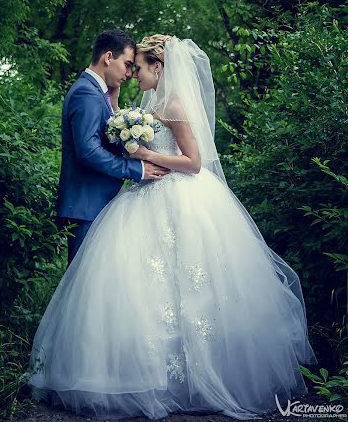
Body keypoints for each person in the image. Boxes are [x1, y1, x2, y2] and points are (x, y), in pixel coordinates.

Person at [27, 34, 317, 420]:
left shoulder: (173, 103)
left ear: (158, 67)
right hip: (136, 194)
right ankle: (119, 367)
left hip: (179, 195)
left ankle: (183, 374)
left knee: (186, 280)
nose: (133, 74)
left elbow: (193, 161)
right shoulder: (123, 100)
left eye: (139, 67)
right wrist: (135, 151)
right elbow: (100, 145)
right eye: (129, 66)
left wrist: (145, 154)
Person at [57, 29, 169, 265]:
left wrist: (114, 104)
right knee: (83, 286)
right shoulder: (86, 93)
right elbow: (88, 151)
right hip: (86, 205)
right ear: (108, 57)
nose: (129, 74)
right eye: (127, 65)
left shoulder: (98, 92)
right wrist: (136, 169)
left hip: (93, 203)